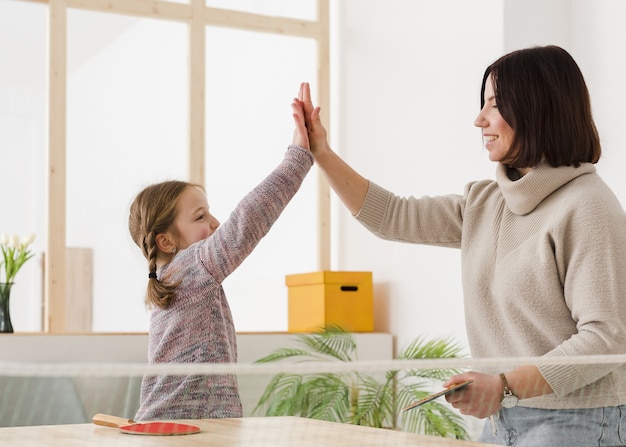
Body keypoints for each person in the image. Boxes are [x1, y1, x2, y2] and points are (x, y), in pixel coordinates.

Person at [298, 45, 626, 446]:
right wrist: (322, 154)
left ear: (539, 107)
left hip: (576, 422)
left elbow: (606, 338)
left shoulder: (588, 205)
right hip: (500, 423)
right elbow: (391, 217)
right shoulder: (486, 203)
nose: (479, 120)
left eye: (494, 104)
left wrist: (504, 384)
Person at [128, 85, 314, 421]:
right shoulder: (188, 269)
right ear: (166, 242)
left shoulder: (175, 277)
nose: (215, 223)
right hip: (182, 431)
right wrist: (298, 157)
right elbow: (248, 220)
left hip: (187, 427)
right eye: (200, 217)